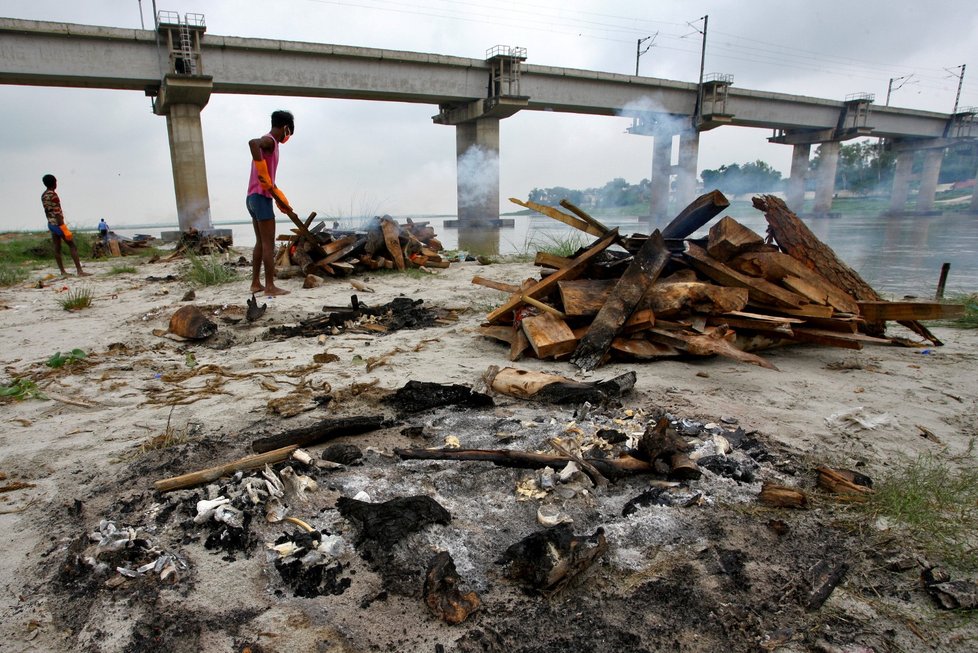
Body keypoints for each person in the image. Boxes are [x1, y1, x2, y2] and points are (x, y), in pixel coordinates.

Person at [246, 109, 296, 296]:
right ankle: (270, 286)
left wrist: (278, 197)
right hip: (260, 198)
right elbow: (253, 143)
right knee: (268, 244)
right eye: (288, 133)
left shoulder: (271, 144)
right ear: (285, 128)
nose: (287, 137)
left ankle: (255, 284)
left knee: (260, 242)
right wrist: (260, 167)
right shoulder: (270, 141)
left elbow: (268, 180)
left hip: (251, 198)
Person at [41, 174, 90, 277]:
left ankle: (63, 272)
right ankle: (79, 271)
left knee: (57, 247)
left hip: (50, 223)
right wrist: (63, 227)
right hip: (58, 224)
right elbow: (57, 212)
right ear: (54, 182)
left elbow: (47, 211)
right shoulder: (53, 195)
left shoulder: (44, 195)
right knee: (72, 245)